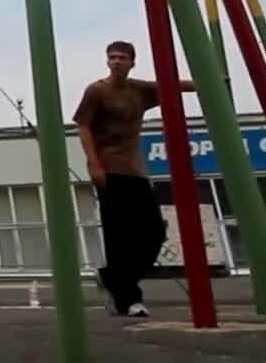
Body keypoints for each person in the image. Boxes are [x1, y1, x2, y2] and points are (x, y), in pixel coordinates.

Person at [73, 40, 195, 318]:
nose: (116, 61)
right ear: (107, 61)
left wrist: (209, 81)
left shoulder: (138, 89)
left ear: (132, 62)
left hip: (135, 170)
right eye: (112, 57)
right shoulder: (97, 90)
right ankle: (129, 299)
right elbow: (83, 126)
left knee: (153, 232)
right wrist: (94, 164)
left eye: (122, 57)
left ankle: (111, 277)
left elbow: (172, 85)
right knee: (119, 237)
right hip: (109, 168)